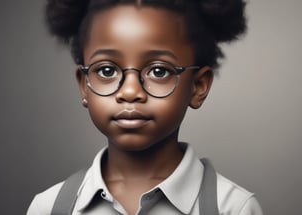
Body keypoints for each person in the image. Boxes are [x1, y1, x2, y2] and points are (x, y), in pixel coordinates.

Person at [27, 0, 263, 214]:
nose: (130, 92)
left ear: (198, 86)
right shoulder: (49, 207)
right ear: (84, 85)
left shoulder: (232, 208)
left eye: (159, 71)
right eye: (107, 70)